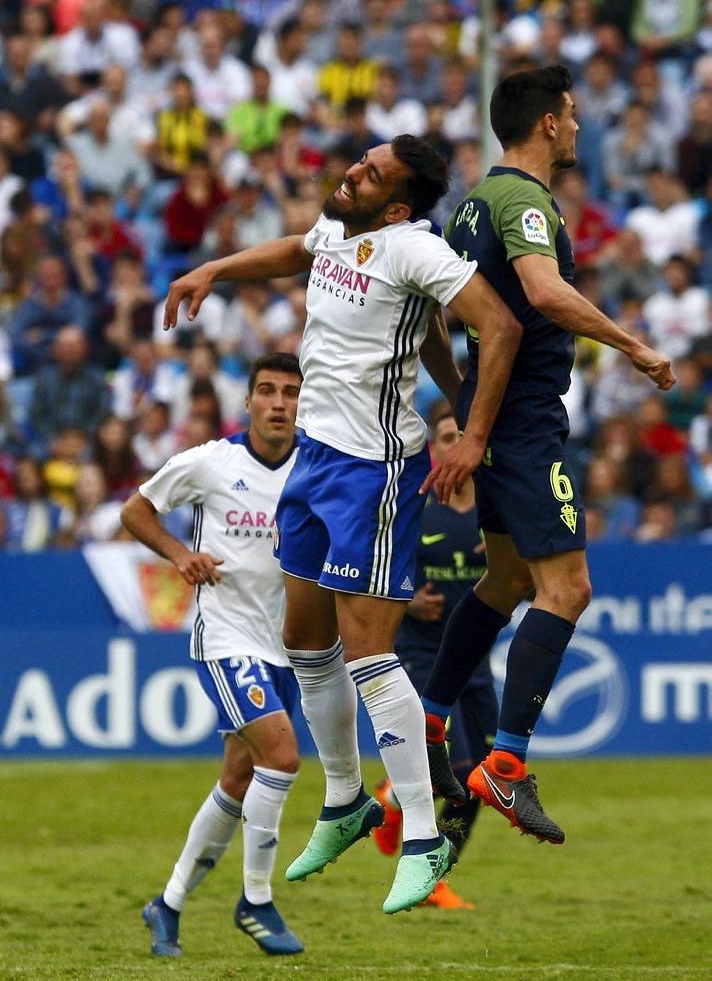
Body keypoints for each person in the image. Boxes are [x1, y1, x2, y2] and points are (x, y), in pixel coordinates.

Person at [163, 135, 522, 914]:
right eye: (361, 159)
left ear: (397, 205)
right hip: (315, 460)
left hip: (373, 470)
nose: (351, 171)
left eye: (370, 173)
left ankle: (423, 837)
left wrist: (475, 431)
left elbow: (498, 325)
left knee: (367, 653)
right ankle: (345, 799)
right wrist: (216, 268)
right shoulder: (339, 229)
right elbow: (300, 248)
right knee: (305, 641)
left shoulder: (412, 249)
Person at [420, 66, 674, 845]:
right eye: (569, 113)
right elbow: (544, 292)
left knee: (504, 580)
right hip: (527, 424)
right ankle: (506, 762)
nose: (576, 123)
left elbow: (436, 315)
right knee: (567, 589)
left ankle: (429, 720)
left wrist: (465, 406)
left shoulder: (469, 207)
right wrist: (631, 342)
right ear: (546, 125)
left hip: (495, 418)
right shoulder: (520, 200)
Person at [121, 353, 305, 958]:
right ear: (248, 402)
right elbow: (136, 509)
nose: (279, 404)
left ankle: (167, 905)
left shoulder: (316, 467)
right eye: (268, 392)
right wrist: (178, 554)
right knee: (281, 756)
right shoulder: (211, 462)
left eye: (291, 394)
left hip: (286, 645)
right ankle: (255, 899)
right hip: (225, 637)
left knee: (240, 775)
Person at [372, 408, 496, 911]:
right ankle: (428, 876)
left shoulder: (495, 510)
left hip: (475, 659)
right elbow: (377, 576)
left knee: (487, 777)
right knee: (462, 774)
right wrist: (409, 604)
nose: (459, 444)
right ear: (436, 450)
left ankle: (395, 799)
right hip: (423, 654)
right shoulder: (416, 508)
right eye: (448, 436)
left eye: (467, 436)